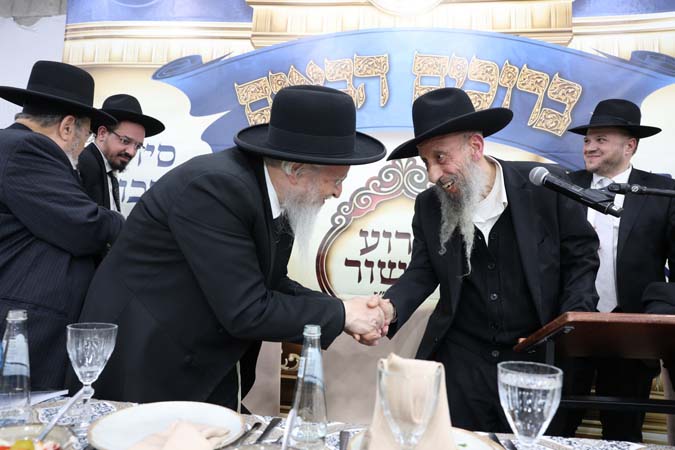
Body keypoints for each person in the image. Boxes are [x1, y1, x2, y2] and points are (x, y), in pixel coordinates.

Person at [74, 85, 389, 411]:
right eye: (336, 180)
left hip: (198, 362)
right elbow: (247, 309)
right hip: (147, 363)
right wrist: (342, 315)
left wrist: (342, 307)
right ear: (296, 171)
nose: (338, 192)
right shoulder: (216, 189)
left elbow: (271, 284)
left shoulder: (275, 195)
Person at [369, 88, 600, 432]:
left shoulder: (545, 186)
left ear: (475, 147)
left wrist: (565, 329)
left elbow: (581, 258)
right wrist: (389, 309)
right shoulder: (429, 205)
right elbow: (422, 271)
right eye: (426, 162)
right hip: (462, 363)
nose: (433, 174)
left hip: (535, 360)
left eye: (440, 157)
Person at [553, 99, 675, 442]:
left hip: (632, 334)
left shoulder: (661, 191)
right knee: (558, 427)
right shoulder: (561, 185)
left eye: (601, 139)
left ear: (630, 145)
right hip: (570, 326)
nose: (589, 147)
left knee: (623, 431)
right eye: (587, 139)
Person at [0, 61, 125, 389]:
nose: (83, 147)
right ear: (68, 127)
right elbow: (84, 225)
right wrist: (128, 223)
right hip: (26, 328)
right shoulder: (28, 149)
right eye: (86, 135)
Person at [79, 94, 165, 212]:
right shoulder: (83, 165)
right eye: (125, 141)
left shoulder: (106, 169)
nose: (131, 152)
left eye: (138, 146)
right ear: (102, 133)